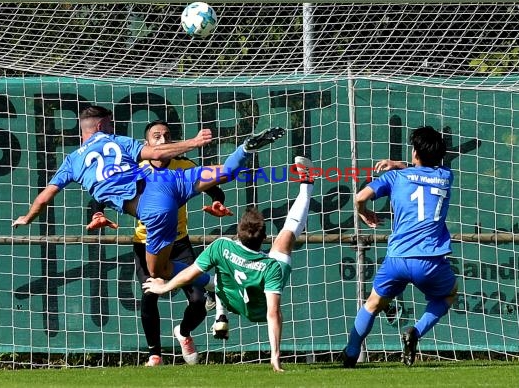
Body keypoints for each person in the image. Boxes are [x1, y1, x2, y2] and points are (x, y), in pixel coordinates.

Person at [12, 105, 285, 364]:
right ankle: (245, 149)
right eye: (108, 124)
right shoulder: (118, 141)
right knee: (225, 172)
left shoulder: (72, 161)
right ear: (97, 126)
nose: (111, 127)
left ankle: (215, 284)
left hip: (154, 209)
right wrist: (191, 143)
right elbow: (156, 154)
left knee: (160, 273)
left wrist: (28, 217)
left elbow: (46, 196)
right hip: (169, 183)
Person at [143, 156, 315, 372]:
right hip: (257, 311)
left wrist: (164, 286)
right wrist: (275, 357)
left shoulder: (222, 246)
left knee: (197, 273)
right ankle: (307, 186)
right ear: (263, 239)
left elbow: (189, 273)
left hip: (231, 296)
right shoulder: (271, 267)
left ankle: (219, 308)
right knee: (287, 237)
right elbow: (273, 313)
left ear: (237, 233)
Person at [88, 119, 233, 367]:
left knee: (198, 301)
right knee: (149, 295)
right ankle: (155, 353)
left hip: (179, 242)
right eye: (157, 136)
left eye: (167, 135)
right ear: (147, 143)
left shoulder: (184, 164)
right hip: (146, 243)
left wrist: (218, 200)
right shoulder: (133, 166)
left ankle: (184, 333)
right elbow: (102, 190)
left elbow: (213, 186)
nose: (163, 139)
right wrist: (97, 212)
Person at [341, 126, 458, 367]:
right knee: (448, 294)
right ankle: (415, 331)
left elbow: (359, 197)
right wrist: (403, 163)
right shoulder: (446, 176)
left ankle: (352, 351)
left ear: (415, 153)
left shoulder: (394, 178)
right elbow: (425, 172)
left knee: (373, 303)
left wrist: (365, 213)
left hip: (397, 259)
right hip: (431, 261)